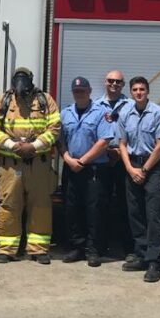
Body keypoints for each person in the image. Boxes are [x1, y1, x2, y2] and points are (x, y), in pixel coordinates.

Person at [0, 67, 61, 264]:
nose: (21, 83)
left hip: (38, 163)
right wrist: (12, 145)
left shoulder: (45, 100)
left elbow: (55, 129)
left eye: (24, 79)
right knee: (9, 205)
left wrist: (33, 146)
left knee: (40, 206)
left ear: (31, 80)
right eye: (17, 79)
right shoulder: (3, 101)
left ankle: (38, 249)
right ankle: (6, 250)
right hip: (11, 164)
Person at [117, 76, 160, 283]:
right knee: (135, 213)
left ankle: (154, 261)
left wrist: (144, 169)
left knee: (153, 214)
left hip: (153, 168)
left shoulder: (159, 113)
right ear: (131, 92)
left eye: (142, 89)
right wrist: (131, 169)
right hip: (132, 166)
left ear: (148, 91)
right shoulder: (125, 113)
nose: (138, 93)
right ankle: (140, 254)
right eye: (135, 89)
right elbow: (122, 144)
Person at [59, 76, 116, 267]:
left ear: (90, 91)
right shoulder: (65, 113)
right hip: (71, 167)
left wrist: (82, 161)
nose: (79, 94)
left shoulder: (102, 113)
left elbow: (104, 141)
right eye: (76, 91)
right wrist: (67, 158)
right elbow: (60, 140)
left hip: (93, 169)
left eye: (82, 90)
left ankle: (94, 250)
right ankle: (77, 247)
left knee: (95, 211)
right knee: (72, 209)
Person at [98, 69, 133, 259]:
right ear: (105, 82)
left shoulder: (131, 106)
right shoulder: (96, 104)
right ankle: (100, 247)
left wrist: (120, 152)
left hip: (123, 160)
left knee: (126, 205)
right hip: (102, 159)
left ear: (123, 84)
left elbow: (134, 131)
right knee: (100, 204)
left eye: (118, 82)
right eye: (110, 81)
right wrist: (106, 151)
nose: (114, 84)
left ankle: (129, 248)